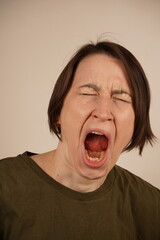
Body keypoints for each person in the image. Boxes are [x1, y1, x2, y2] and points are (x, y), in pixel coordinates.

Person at [0, 41, 159, 240]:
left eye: (121, 98)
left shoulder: (152, 207)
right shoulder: (4, 187)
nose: (103, 112)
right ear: (58, 112)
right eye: (88, 93)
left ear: (137, 122)